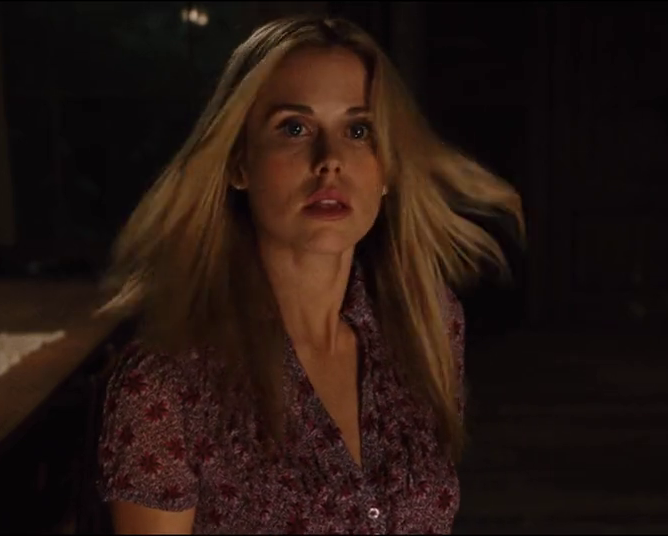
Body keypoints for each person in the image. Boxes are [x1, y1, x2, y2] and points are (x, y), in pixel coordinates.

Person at [94, 14, 524, 535]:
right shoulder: (166, 381)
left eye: (359, 131)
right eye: (294, 128)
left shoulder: (429, 324)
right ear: (238, 163)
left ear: (388, 168)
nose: (330, 161)